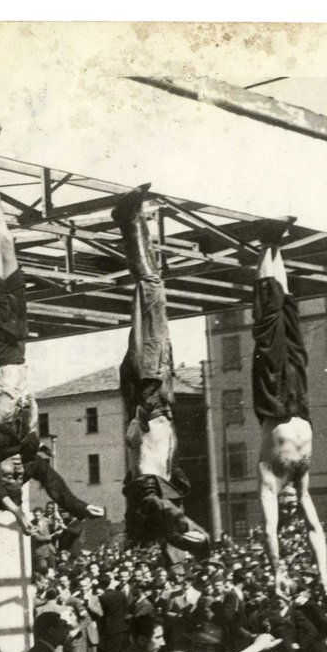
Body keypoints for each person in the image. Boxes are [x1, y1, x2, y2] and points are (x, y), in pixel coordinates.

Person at [0, 124, 104, 537]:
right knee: (5, 240)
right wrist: (76, 505)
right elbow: (50, 479)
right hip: (16, 342)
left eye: (10, 478)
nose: (18, 472)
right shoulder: (21, 449)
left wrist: (15, 512)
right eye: (19, 478)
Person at [113, 187, 211, 569]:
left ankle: (129, 218)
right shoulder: (161, 486)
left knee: (152, 289)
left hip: (149, 387)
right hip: (154, 390)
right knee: (152, 291)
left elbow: (164, 510)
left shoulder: (148, 490)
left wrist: (185, 532)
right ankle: (133, 221)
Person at [250, 227, 327, 595]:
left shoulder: (270, 483)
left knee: (268, 325)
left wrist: (277, 570)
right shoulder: (301, 486)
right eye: (292, 503)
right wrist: (323, 576)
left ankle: (263, 246)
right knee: (291, 321)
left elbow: (269, 531)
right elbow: (316, 530)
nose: (291, 501)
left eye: (287, 504)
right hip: (300, 404)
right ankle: (275, 244)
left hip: (272, 402)